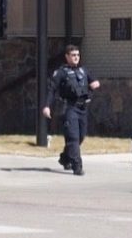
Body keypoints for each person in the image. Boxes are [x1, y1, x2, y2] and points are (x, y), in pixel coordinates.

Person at [41, 45, 100, 176]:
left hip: (82, 108)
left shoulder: (83, 70)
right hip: (69, 108)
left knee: (81, 137)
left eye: (77, 55)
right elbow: (52, 90)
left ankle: (65, 157)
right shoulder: (61, 72)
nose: (76, 57)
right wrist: (47, 106)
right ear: (67, 57)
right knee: (73, 137)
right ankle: (77, 166)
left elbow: (94, 81)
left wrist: (95, 83)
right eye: (73, 55)